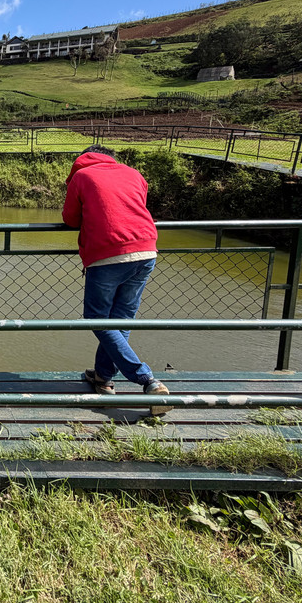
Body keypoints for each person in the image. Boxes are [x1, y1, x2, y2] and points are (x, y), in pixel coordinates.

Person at [62, 145, 172, 415]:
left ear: (83, 159)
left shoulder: (82, 177)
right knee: (120, 320)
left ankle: (147, 380)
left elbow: (70, 218)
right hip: (147, 250)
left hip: (108, 254)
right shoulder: (133, 173)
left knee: (98, 319)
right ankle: (103, 377)